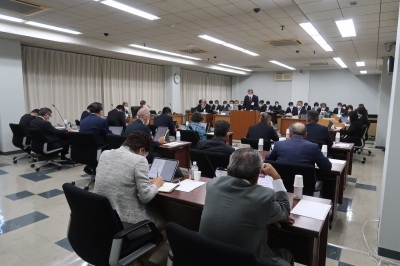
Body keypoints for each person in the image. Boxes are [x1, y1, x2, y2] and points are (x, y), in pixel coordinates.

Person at [199, 148, 294, 266]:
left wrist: (267, 214)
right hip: (246, 260)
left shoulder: (213, 185)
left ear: (228, 171)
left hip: (209, 256)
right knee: (286, 255)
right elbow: (285, 211)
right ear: (257, 176)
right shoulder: (263, 197)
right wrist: (276, 177)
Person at [94, 131, 165, 265]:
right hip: (126, 222)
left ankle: (135, 256)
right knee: (167, 224)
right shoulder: (139, 160)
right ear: (142, 150)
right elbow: (146, 197)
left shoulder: (105, 154)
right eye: (146, 154)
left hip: (105, 220)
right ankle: (139, 261)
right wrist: (156, 184)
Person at [266, 122, 332, 172]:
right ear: (306, 134)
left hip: (281, 184)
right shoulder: (313, 147)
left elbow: (268, 160)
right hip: (305, 185)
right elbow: (327, 167)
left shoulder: (279, 145)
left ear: (290, 133)